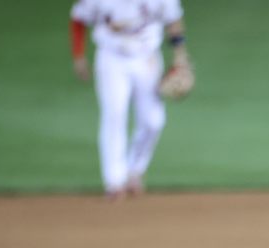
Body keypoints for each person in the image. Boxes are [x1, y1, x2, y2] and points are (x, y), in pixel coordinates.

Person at [68, 0, 190, 199]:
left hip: (147, 57)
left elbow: (173, 18)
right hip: (111, 59)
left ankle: (134, 170)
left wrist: (180, 56)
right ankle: (114, 181)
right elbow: (78, 18)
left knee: (153, 120)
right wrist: (78, 55)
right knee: (114, 115)